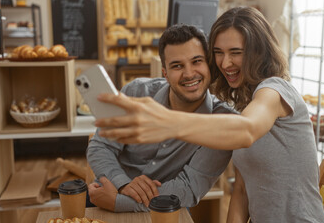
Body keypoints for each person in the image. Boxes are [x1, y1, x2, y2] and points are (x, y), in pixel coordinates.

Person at [94, 7, 324, 222]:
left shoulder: (275, 90)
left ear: (259, 52)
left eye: (236, 52)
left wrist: (167, 122)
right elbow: (242, 191)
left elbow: (247, 130)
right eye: (218, 53)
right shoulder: (243, 106)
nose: (226, 63)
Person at [87, 24, 235, 212]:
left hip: (163, 208)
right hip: (107, 194)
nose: (189, 73)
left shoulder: (222, 121)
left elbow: (187, 189)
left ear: (209, 65)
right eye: (177, 65)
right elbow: (101, 146)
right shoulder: (136, 92)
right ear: (164, 72)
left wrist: (120, 201)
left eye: (196, 61)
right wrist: (123, 184)